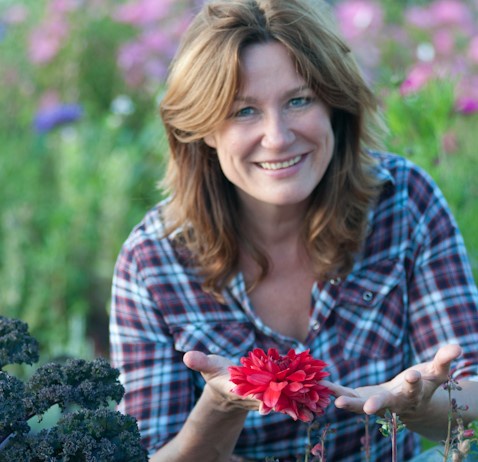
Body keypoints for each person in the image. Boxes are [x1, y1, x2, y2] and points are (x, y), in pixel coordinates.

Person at [109, 0, 478, 460]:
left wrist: (418, 406)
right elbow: (149, 454)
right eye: (244, 111)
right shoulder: (152, 261)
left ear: (335, 104)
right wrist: (222, 407)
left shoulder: (402, 201)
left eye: (298, 100)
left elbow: (471, 394)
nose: (278, 137)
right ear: (204, 128)